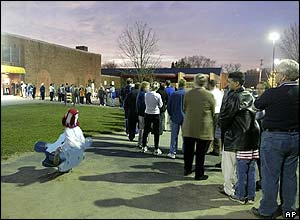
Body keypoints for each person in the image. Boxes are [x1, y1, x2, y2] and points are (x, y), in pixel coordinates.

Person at [251, 59, 299, 219]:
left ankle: (267, 210)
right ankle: (289, 211)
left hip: (274, 138)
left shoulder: (274, 92)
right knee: (290, 176)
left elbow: (257, 105)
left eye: (277, 72)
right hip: (296, 138)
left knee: (270, 175)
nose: (275, 74)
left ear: (284, 76)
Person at [218, 72, 257, 197]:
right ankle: (244, 192)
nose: (227, 84)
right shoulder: (250, 95)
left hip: (233, 135)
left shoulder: (234, 97)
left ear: (236, 83)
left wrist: (221, 124)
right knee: (246, 168)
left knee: (228, 165)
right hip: (249, 136)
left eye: (229, 82)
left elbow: (226, 116)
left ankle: (229, 189)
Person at [34, 108, 92, 172]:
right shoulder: (78, 129)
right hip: (77, 153)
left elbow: (71, 144)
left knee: (49, 151)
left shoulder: (68, 131)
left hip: (68, 154)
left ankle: (64, 164)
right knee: (51, 148)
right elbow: (82, 141)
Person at [182, 73, 215, 180]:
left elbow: (185, 108)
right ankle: (199, 173)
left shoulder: (188, 94)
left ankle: (187, 169)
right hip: (203, 126)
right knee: (201, 153)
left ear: (194, 82)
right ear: (205, 82)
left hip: (189, 126)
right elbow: (213, 110)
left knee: (188, 150)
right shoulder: (209, 95)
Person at [253, 81, 269, 191]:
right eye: (257, 88)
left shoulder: (269, 102)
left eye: (262, 88)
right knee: (258, 159)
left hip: (265, 134)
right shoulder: (255, 100)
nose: (259, 90)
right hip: (256, 134)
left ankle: (264, 181)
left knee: (263, 160)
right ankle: (262, 180)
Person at [141, 81, 163, 155]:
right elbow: (160, 105)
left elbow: (145, 102)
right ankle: (156, 148)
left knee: (146, 130)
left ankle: (144, 146)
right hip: (155, 114)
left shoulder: (146, 94)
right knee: (156, 132)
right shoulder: (157, 95)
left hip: (147, 112)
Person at [167, 78, 186, 159]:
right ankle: (185, 151)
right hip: (185, 117)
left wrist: (171, 114)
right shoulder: (187, 93)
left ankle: (172, 152)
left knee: (174, 135)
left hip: (175, 116)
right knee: (185, 136)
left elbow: (169, 106)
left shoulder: (174, 94)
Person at [207, 79, 224, 156]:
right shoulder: (219, 92)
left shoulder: (210, 93)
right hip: (219, 113)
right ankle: (217, 149)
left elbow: (210, 104)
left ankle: (207, 148)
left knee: (210, 132)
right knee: (217, 132)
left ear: (210, 85)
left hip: (213, 113)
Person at [136, 81, 150, 148]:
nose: (148, 88)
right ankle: (144, 142)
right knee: (145, 128)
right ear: (144, 87)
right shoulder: (145, 94)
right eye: (147, 87)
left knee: (141, 128)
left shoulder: (140, 94)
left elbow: (138, 104)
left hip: (140, 113)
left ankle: (140, 142)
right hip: (144, 113)